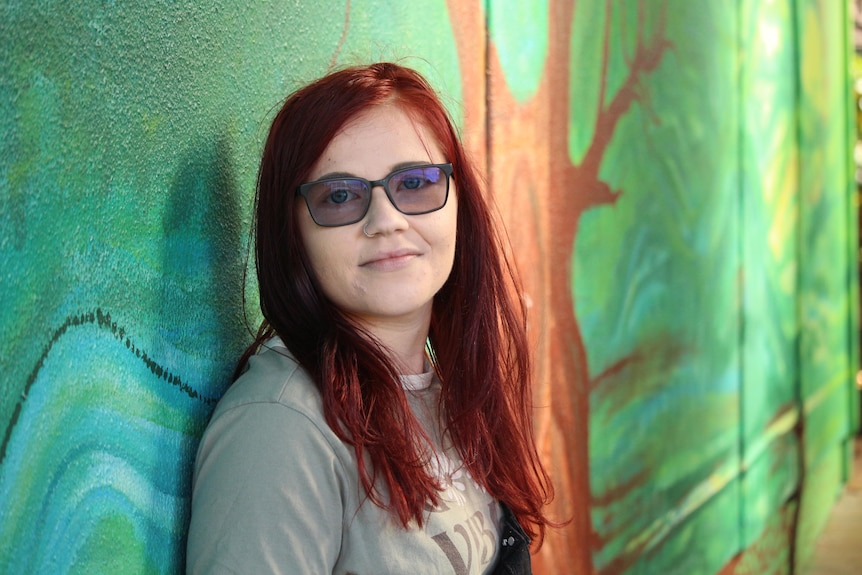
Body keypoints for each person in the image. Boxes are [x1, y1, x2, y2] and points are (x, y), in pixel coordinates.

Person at [186, 62, 554, 574]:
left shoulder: (443, 392)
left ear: (458, 202)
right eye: (340, 196)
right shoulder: (282, 429)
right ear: (292, 232)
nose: (386, 221)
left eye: (417, 182)